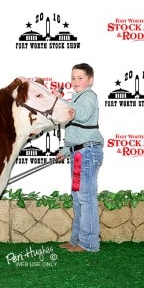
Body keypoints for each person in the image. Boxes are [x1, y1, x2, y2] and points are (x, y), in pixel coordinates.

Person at [55, 63, 104, 253]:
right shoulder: (76, 98)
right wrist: (66, 150)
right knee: (78, 197)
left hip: (88, 153)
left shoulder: (89, 96)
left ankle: (89, 243)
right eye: (73, 78)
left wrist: (63, 102)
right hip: (78, 153)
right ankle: (77, 240)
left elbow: (82, 116)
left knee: (86, 197)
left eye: (80, 78)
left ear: (90, 80)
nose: (76, 81)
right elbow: (77, 131)